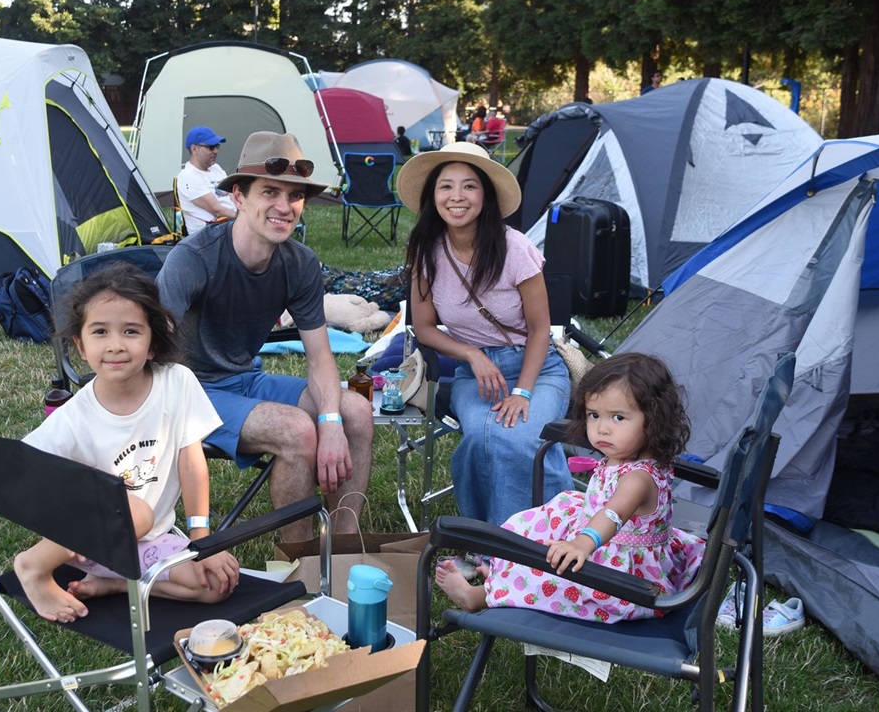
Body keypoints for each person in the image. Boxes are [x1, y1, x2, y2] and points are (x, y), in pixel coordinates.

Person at [157, 131, 374, 543]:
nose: (284, 206)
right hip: (188, 389)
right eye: (270, 192)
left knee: (356, 412)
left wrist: (331, 422)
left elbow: (320, 356)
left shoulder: (300, 262)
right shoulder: (194, 259)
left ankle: (344, 545)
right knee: (296, 429)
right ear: (238, 196)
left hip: (245, 379)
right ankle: (300, 560)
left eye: (294, 196)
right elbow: (152, 349)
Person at [15, 263, 240, 623]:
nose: (116, 345)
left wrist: (202, 542)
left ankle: (117, 585)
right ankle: (33, 566)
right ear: (81, 345)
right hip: (92, 544)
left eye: (131, 331)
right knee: (132, 511)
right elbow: (21, 470)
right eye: (100, 332)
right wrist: (74, 510)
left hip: (148, 543)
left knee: (216, 584)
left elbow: (192, 463)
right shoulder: (75, 416)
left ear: (152, 344)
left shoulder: (177, 383)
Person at [435, 352, 706, 624]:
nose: (602, 429)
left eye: (618, 418)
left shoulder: (638, 478)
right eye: (594, 415)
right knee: (536, 535)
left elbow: (613, 513)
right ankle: (502, 576)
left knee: (550, 573)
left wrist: (581, 543)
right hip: (595, 539)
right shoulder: (626, 456)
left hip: (621, 578)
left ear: (653, 419)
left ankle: (477, 597)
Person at [399, 141, 573, 527]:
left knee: (521, 438)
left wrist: (523, 391)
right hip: (474, 374)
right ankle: (485, 540)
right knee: (481, 439)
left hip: (537, 369)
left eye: (469, 186)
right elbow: (424, 327)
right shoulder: (427, 251)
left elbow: (541, 329)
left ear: (486, 196)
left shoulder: (515, 248)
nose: (456, 197)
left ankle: (549, 537)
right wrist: (472, 355)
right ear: (433, 196)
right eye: (446, 186)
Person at [176, 125, 238, 234]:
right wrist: (245, 218)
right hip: (208, 236)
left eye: (217, 146)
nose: (215, 151)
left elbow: (233, 195)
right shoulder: (187, 176)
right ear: (194, 149)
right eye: (211, 147)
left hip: (229, 226)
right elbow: (217, 210)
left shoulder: (216, 169)